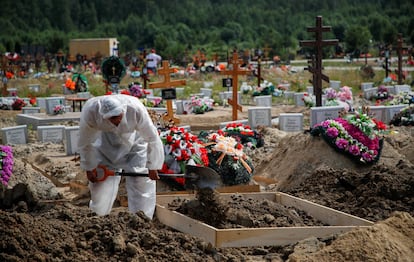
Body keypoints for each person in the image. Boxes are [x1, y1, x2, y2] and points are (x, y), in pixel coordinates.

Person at [78, 94, 165, 218]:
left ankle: (141, 220)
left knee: (140, 182)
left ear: (123, 111)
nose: (116, 121)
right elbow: (85, 141)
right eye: (111, 119)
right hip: (106, 144)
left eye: (118, 117)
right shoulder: (91, 111)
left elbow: (152, 138)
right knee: (100, 187)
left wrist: (153, 166)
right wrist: (89, 166)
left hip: (135, 143)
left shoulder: (135, 108)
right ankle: (98, 217)